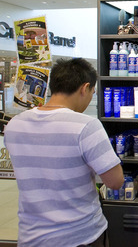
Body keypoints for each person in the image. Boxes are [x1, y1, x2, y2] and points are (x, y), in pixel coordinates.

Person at [4, 58, 124, 247]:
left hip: (31, 237)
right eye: (92, 92)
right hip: (80, 235)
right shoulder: (86, 126)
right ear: (85, 88)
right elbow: (115, 182)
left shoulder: (14, 125)